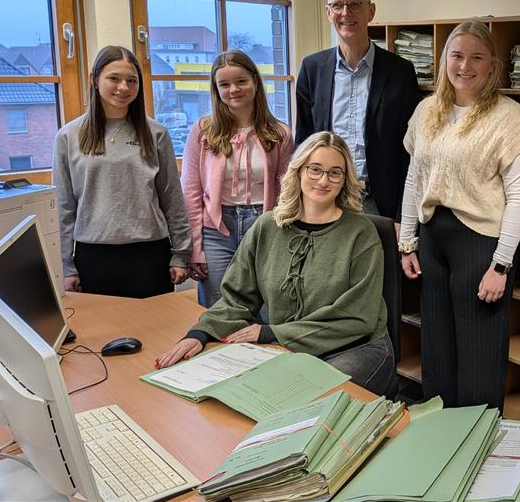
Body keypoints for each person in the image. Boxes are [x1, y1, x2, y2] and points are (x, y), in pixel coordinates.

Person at [156, 132, 394, 395]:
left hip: (354, 347)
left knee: (303, 397)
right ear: (299, 170)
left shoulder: (361, 233)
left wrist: (272, 334)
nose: (323, 180)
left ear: (345, 179)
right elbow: (237, 299)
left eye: (335, 173)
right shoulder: (267, 227)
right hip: (288, 347)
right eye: (315, 169)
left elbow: (357, 317)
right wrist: (200, 333)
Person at [399, 21, 520, 411]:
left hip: (480, 245)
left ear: (492, 65)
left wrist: (501, 265)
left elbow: (519, 199)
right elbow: (414, 179)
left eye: (477, 57)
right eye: (457, 56)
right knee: (437, 354)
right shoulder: (428, 110)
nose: (465, 66)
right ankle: (441, 435)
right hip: (433, 240)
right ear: (445, 60)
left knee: (479, 359)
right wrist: (407, 242)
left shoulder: (509, 117)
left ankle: (479, 439)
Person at [53, 45, 190, 298]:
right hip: (93, 255)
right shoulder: (68, 136)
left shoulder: (156, 133)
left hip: (150, 254)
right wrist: (65, 266)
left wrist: (181, 255)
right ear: (95, 80)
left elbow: (172, 198)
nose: (123, 87)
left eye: (132, 80)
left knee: (158, 322)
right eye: (114, 78)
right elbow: (64, 207)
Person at [295, 0, 420, 226]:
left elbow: (410, 150)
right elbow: (303, 142)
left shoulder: (400, 71)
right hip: (326, 196)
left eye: (354, 4)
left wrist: (401, 216)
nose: (346, 13)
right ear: (328, 13)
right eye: (338, 5)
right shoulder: (312, 69)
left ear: (371, 11)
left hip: (378, 200)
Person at [180, 50, 293, 307]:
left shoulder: (279, 133)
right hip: (216, 229)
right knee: (217, 306)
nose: (234, 89)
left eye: (241, 81)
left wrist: (282, 236)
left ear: (255, 81)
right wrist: (195, 247)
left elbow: (287, 190)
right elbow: (191, 192)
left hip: (263, 225)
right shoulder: (203, 131)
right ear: (216, 89)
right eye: (224, 84)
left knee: (263, 305)